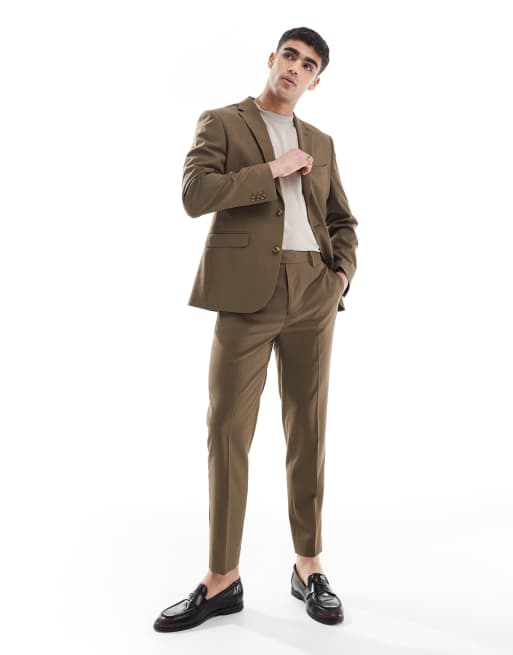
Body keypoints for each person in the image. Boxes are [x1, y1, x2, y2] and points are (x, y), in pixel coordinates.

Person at [153, 26, 358, 632]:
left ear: (316, 81)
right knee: (227, 431)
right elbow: (195, 195)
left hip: (313, 290)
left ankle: (309, 566)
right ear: (272, 59)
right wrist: (271, 168)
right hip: (246, 296)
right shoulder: (222, 122)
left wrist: (339, 276)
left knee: (309, 429)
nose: (296, 67)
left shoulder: (321, 141)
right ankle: (222, 577)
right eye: (289, 56)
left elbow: (342, 220)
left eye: (309, 64)